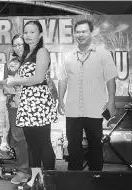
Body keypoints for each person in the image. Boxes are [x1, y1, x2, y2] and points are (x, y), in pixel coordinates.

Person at [57, 19, 118, 171]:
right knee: (73, 145)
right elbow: (63, 80)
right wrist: (60, 100)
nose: (80, 34)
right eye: (78, 32)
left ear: (91, 33)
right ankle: (75, 178)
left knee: (95, 145)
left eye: (84, 31)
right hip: (73, 109)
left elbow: (110, 79)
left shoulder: (103, 54)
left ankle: (96, 176)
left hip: (95, 109)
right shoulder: (68, 56)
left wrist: (111, 101)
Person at [4, 21, 57, 189]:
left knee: (44, 143)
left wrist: (15, 80)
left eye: (32, 32)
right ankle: (35, 179)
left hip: (39, 102)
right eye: (25, 32)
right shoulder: (26, 54)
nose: (28, 35)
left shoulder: (42, 51)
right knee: (33, 146)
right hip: (27, 102)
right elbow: (18, 81)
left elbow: (39, 78)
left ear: (40, 35)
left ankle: (49, 180)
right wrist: (6, 81)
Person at [3, 57, 30, 185]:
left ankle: (35, 170)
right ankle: (23, 171)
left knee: (33, 138)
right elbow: (6, 84)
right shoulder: (12, 63)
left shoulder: (34, 60)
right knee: (17, 138)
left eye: (20, 44)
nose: (18, 47)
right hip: (14, 105)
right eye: (16, 45)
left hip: (33, 105)